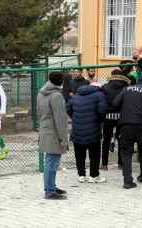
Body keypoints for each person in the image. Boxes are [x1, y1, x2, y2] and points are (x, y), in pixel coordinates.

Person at [113, 75, 142, 189]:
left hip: (126, 125)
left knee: (126, 153)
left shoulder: (126, 89)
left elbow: (115, 104)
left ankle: (127, 181)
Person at [67, 83, 108, 183]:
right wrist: (99, 120)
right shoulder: (99, 95)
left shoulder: (76, 95)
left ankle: (81, 175)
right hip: (93, 129)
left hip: (77, 129)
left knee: (79, 153)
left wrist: (76, 118)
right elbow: (102, 110)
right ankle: (93, 176)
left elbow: (68, 108)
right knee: (94, 153)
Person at [37, 72, 69, 200]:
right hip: (54, 132)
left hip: (45, 129)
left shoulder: (41, 93)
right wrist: (63, 138)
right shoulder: (57, 96)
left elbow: (39, 112)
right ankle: (49, 191)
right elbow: (60, 119)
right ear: (61, 82)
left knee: (50, 161)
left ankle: (51, 186)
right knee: (52, 162)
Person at [101, 69, 131, 170]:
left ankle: (104, 164)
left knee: (106, 140)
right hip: (122, 116)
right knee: (121, 140)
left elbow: (102, 102)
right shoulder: (126, 87)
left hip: (108, 116)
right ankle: (121, 163)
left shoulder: (104, 87)